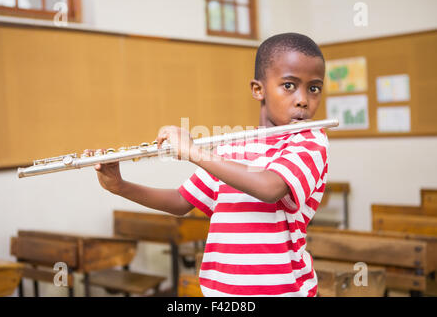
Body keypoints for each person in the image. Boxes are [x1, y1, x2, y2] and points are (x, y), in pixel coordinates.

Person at [87, 33, 328, 297]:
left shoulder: (310, 141)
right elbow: (181, 201)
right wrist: (120, 186)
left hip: (282, 291)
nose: (303, 99)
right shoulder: (231, 147)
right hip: (220, 291)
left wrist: (193, 152)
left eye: (314, 88)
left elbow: (270, 187)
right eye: (290, 85)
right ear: (258, 89)